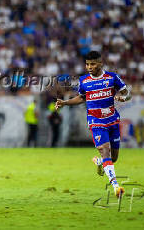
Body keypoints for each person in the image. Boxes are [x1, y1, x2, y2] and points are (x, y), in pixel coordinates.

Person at [56, 51, 132, 198]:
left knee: (113, 158)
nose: (89, 67)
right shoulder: (84, 81)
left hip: (112, 120)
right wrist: (65, 103)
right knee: (105, 150)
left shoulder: (112, 77)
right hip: (96, 121)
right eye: (87, 64)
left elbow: (127, 93)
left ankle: (99, 162)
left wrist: (123, 98)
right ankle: (116, 186)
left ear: (100, 63)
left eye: (92, 64)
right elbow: (81, 98)